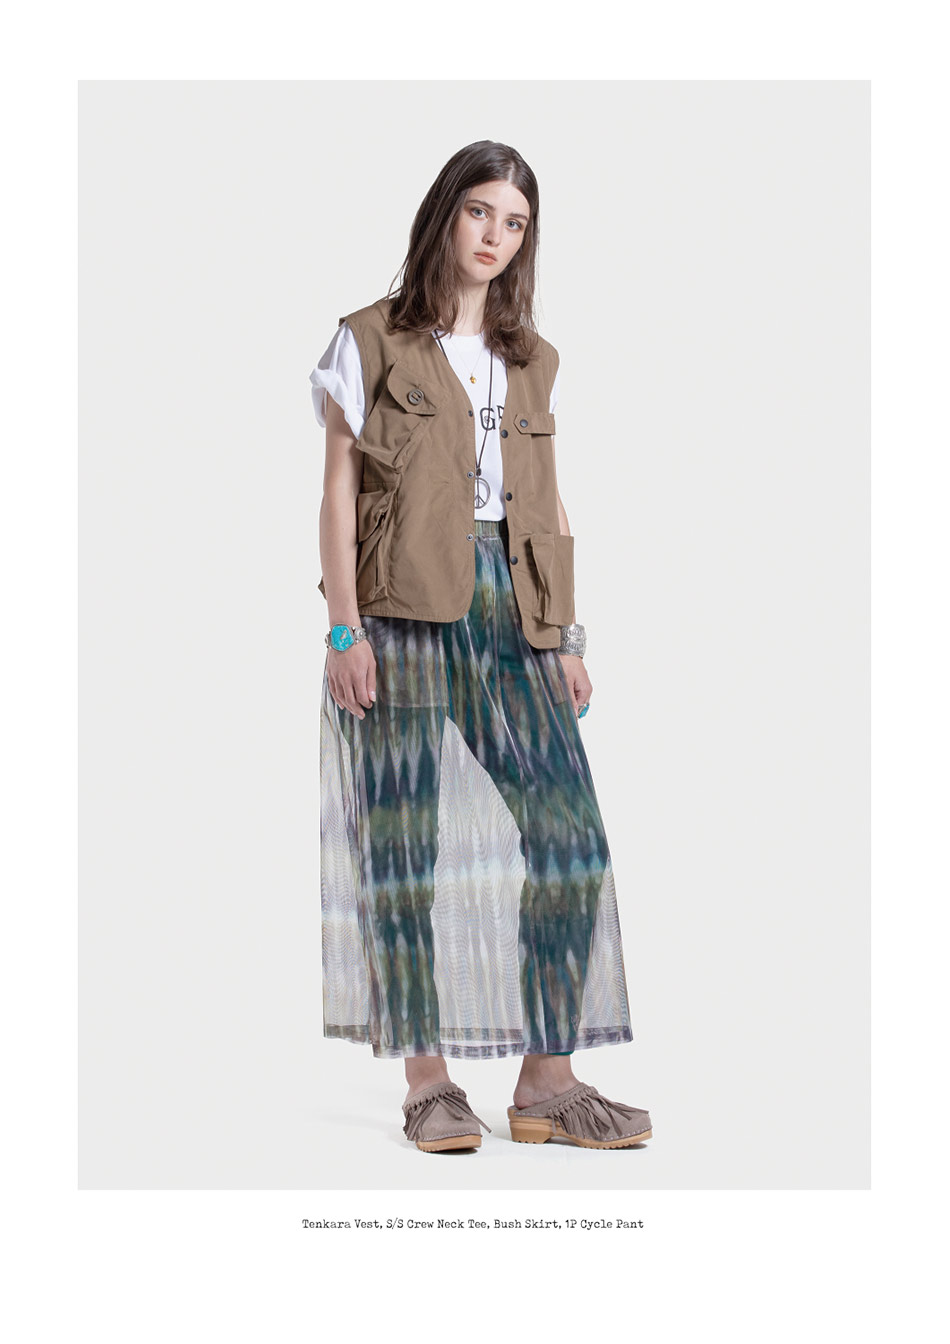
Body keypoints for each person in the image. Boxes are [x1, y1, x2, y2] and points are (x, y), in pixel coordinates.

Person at [309, 140, 652, 1153]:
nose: (495, 236)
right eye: (479, 212)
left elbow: (545, 503)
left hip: (514, 609)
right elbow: (337, 491)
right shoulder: (367, 339)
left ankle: (547, 1082)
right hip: (398, 609)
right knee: (401, 847)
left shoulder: (532, 358)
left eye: (514, 222)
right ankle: (428, 1086)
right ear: (444, 213)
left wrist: (563, 635)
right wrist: (343, 626)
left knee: (572, 839)